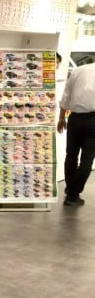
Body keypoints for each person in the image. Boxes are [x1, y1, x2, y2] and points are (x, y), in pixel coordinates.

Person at [57, 61, 95, 206]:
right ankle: (73, 195)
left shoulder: (78, 70)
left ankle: (69, 188)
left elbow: (66, 96)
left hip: (75, 118)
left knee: (71, 155)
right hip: (93, 120)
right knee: (87, 159)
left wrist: (61, 118)